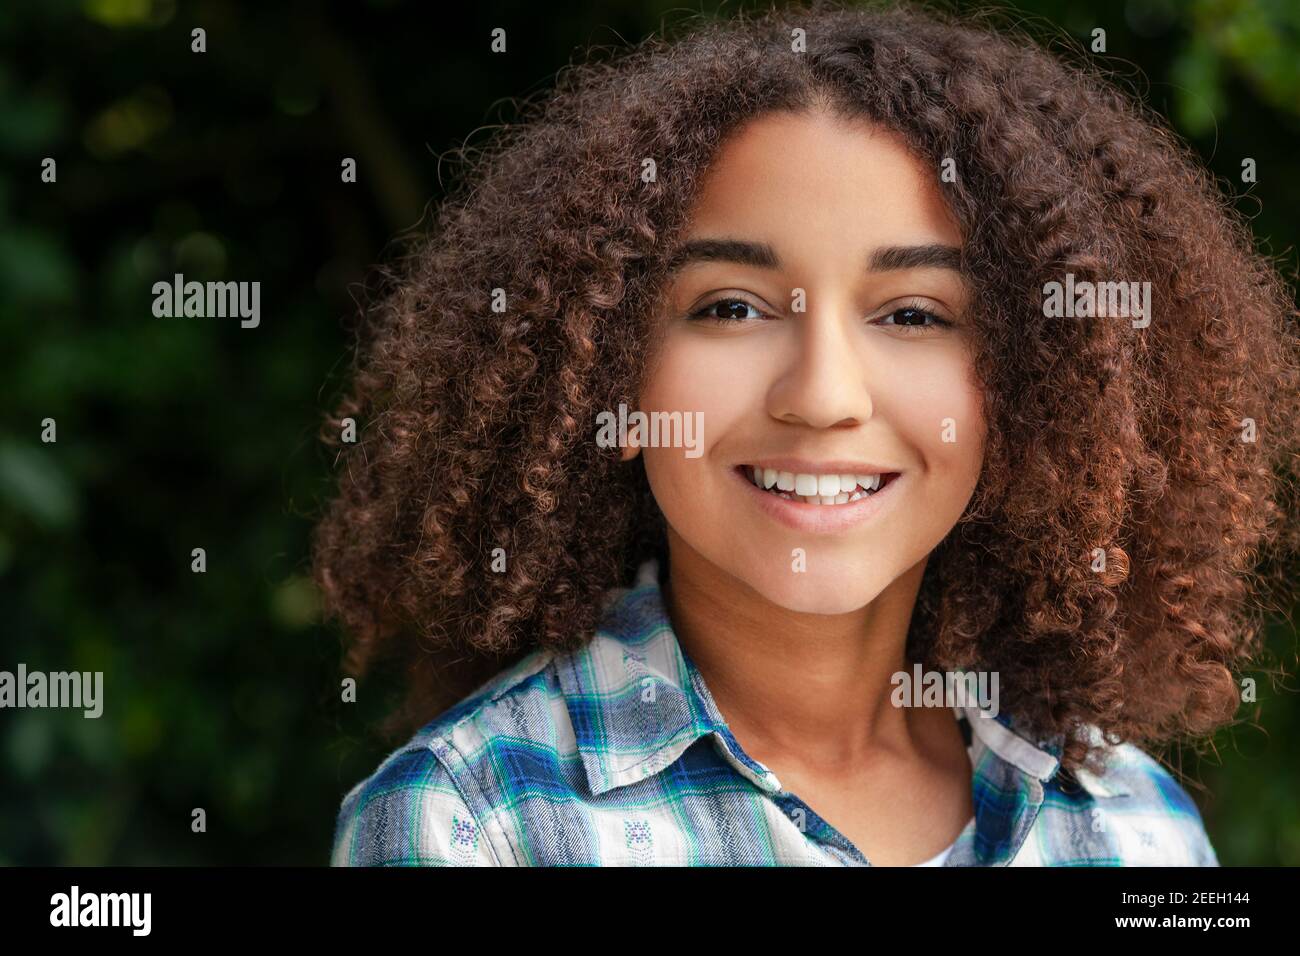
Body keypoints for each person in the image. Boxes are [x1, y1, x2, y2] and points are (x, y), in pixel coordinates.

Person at [316, 0, 1299, 865]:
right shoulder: (469, 825)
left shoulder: (1136, 826)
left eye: (913, 313)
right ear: (609, 371)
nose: (822, 394)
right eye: (732, 307)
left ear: (1037, 395)